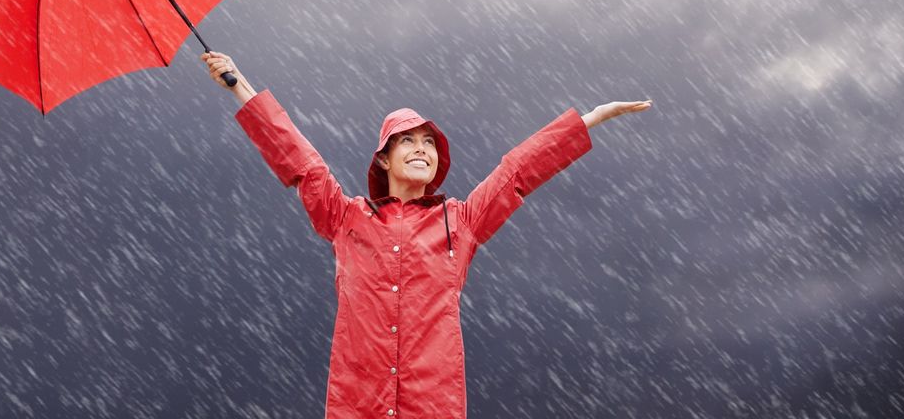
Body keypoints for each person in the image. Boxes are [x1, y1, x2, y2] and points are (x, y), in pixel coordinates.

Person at [202, 50, 651, 418]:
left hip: (433, 405)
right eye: (407, 141)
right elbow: (301, 163)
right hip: (358, 406)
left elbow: (517, 172)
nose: (421, 149)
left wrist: (589, 120)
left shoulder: (461, 221)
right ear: (383, 159)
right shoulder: (347, 218)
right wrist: (239, 85)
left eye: (429, 142)